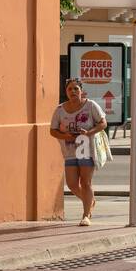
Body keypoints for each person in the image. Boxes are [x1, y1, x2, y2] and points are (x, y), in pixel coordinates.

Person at [50, 78, 107, 226]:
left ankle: (86, 215)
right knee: (72, 184)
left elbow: (103, 123)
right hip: (70, 150)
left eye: (76, 89)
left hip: (86, 149)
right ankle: (90, 201)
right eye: (70, 89)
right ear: (66, 92)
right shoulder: (60, 110)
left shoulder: (90, 105)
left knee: (86, 182)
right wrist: (65, 136)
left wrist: (89, 132)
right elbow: (53, 130)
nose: (73, 92)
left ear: (81, 91)